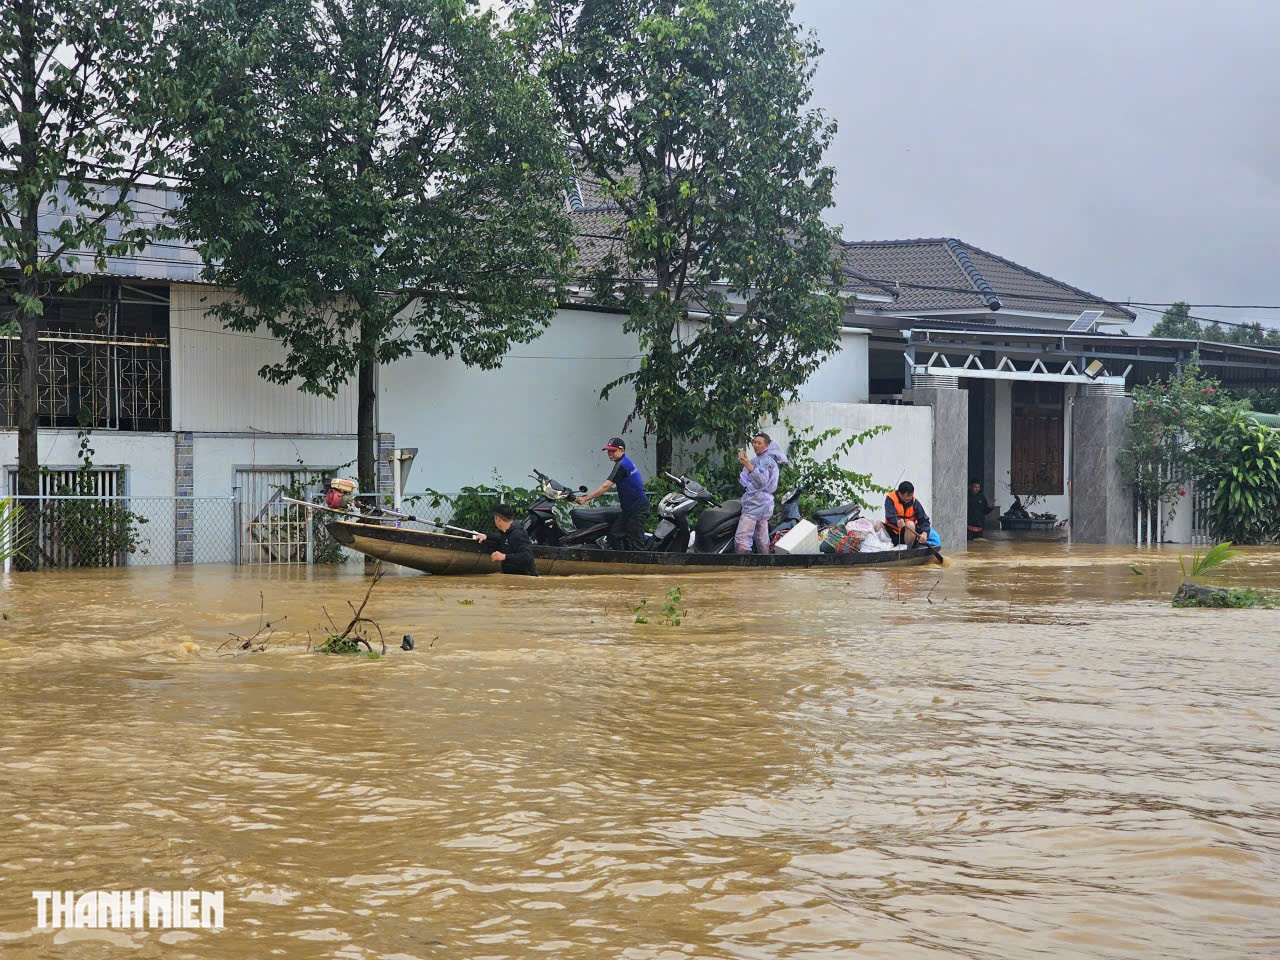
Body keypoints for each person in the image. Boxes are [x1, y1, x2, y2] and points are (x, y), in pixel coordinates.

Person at [577, 437, 649, 550]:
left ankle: (640, 565)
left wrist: (586, 498)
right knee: (616, 533)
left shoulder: (623, 465)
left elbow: (605, 486)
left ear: (622, 450)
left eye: (613, 451)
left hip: (637, 508)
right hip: (629, 509)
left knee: (636, 541)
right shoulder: (623, 462)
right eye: (609, 451)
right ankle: (620, 561)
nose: (610, 453)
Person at [735, 432, 788, 553]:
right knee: (761, 534)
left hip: (756, 501)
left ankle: (742, 561)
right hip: (764, 503)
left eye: (759, 443)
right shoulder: (763, 460)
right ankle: (766, 560)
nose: (756, 445)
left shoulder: (766, 461)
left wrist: (748, 465)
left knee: (743, 536)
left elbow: (762, 482)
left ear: (767, 445)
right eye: (754, 442)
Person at [473, 503, 538, 576]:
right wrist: (485, 536)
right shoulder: (506, 533)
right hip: (512, 577)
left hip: (525, 578)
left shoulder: (518, 534)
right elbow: (499, 537)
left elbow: (527, 556)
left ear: (498, 519)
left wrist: (504, 556)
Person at [884, 480, 931, 547]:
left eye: (911, 495)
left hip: (907, 535)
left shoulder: (915, 503)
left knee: (910, 524)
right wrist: (897, 521)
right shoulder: (890, 499)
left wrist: (925, 533)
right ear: (900, 493)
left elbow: (924, 521)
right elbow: (890, 516)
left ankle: (908, 550)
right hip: (892, 532)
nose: (909, 498)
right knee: (877, 524)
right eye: (907, 495)